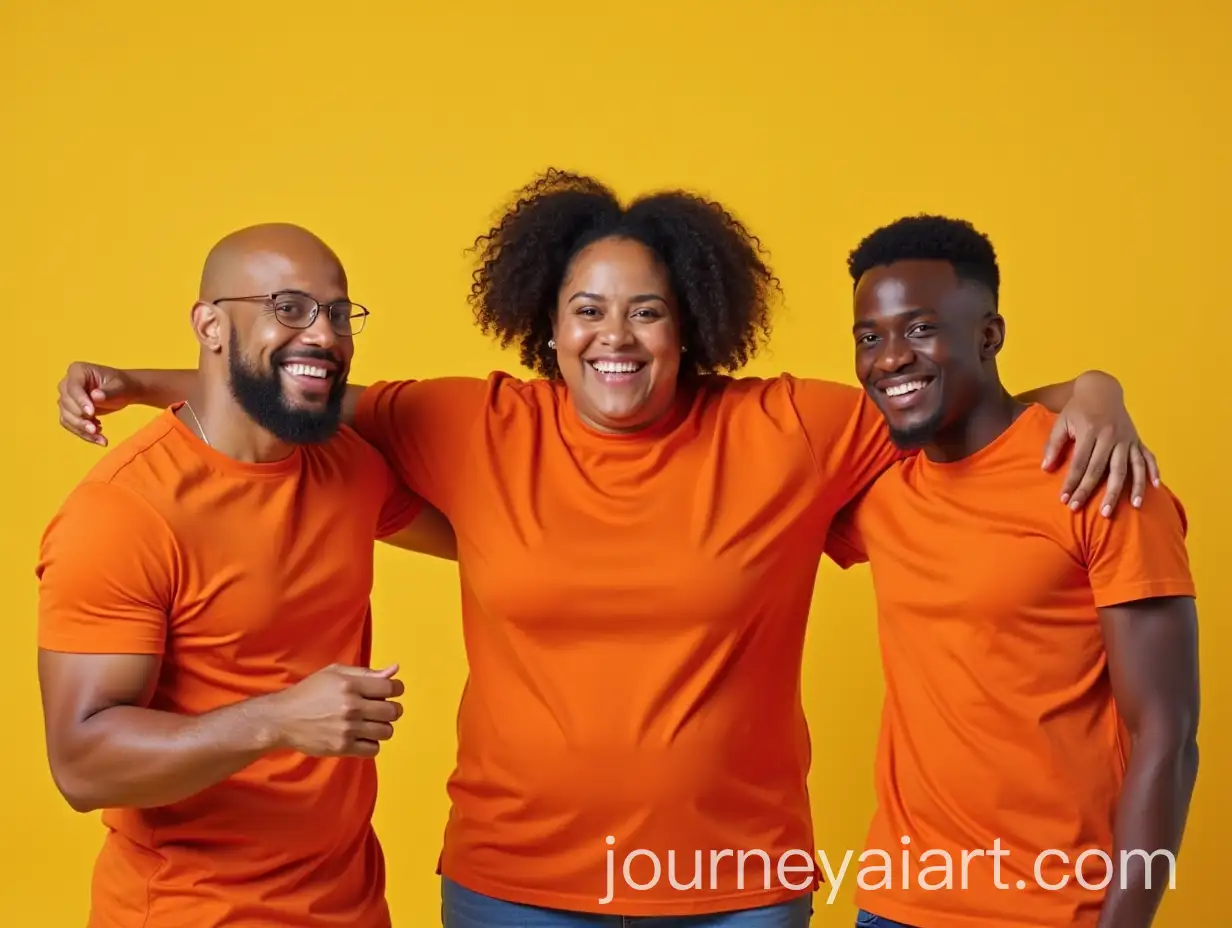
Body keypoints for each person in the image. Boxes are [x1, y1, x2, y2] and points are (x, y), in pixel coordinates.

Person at [53, 170, 1158, 927]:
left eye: (646, 313)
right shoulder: (465, 424)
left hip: (735, 886)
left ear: (696, 326)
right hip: (513, 888)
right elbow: (296, 390)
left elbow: (956, 403)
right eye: (586, 311)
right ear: (544, 324)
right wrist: (152, 381)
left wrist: (1093, 390)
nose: (613, 338)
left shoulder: (794, 430)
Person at [36, 222, 456, 928]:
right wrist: (275, 721)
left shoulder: (348, 466)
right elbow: (80, 765)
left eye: (337, 312)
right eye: (288, 307)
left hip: (352, 908)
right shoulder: (122, 513)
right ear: (210, 325)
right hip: (192, 913)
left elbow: (490, 539)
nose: (323, 334)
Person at [821, 215, 1199, 928]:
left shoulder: (1101, 479)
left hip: (1057, 911)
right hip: (895, 906)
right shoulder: (880, 490)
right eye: (870, 336)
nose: (889, 358)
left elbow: (1168, 737)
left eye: (921, 329)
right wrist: (1093, 385)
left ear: (989, 336)